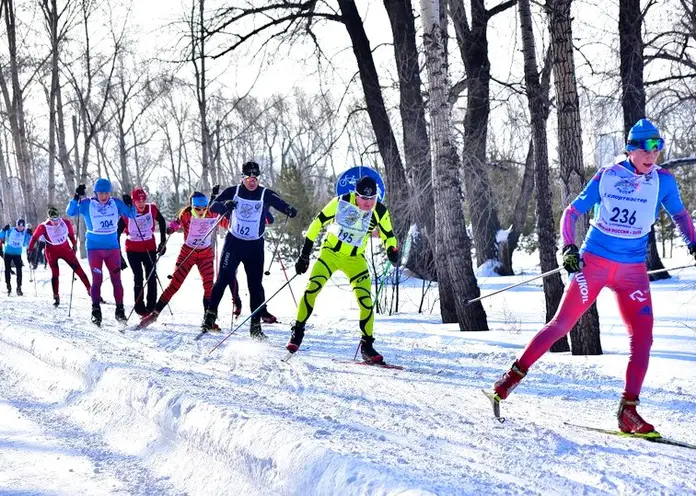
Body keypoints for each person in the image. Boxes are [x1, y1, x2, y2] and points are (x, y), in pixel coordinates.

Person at [489, 118, 696, 434]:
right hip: (594, 263)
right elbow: (572, 213)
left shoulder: (663, 182)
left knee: (643, 337)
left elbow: (680, 216)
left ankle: (628, 411)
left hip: (632, 270)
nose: (652, 154)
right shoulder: (608, 177)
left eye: (658, 147)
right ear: (631, 149)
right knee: (562, 325)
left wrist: (693, 244)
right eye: (646, 147)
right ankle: (511, 378)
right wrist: (569, 247)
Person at [285, 175, 400, 363]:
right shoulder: (340, 202)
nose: (368, 203)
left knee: (366, 302)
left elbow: (389, 235)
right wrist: (305, 254)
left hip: (355, 259)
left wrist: (391, 250)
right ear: (356, 195)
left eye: (372, 199)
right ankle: (297, 331)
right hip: (330, 253)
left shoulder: (379, 210)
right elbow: (316, 223)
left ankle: (367, 346)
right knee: (312, 288)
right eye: (364, 198)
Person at [201, 161, 298, 340]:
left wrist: (289, 210)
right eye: (248, 177)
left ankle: (255, 327)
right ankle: (210, 317)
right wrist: (225, 206)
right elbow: (213, 205)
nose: (252, 181)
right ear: (242, 177)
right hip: (234, 243)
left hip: (255, 246)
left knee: (255, 286)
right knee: (223, 278)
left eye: (255, 178)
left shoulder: (264, 193)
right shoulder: (234, 191)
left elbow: (280, 204)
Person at [138, 192, 229, 329]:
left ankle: (208, 320)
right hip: (188, 253)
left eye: (204, 208)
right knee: (175, 284)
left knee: (209, 286)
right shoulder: (186, 214)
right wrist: (171, 228)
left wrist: (229, 215)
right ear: (192, 207)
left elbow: (226, 223)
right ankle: (155, 314)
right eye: (197, 209)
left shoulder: (212, 213)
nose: (201, 212)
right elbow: (177, 223)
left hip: (206, 255)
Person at [66, 178, 136, 326]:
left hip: (112, 248)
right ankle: (96, 311)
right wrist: (75, 197)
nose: (103, 197)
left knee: (116, 280)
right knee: (97, 280)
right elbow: (71, 212)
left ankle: (120, 310)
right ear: (96, 193)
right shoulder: (86, 204)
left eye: (106, 193)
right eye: (100, 193)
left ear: (109, 193)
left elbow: (132, 214)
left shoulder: (115, 203)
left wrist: (130, 203)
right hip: (94, 249)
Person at [118, 187, 167, 316]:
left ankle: (151, 307)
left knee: (151, 276)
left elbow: (162, 222)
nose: (141, 203)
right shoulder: (127, 213)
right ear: (133, 201)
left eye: (143, 200)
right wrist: (119, 255)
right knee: (138, 278)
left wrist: (163, 242)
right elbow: (116, 233)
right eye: (138, 201)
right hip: (132, 250)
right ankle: (140, 309)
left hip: (149, 248)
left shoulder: (152, 209)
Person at [29, 207, 91, 306]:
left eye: (57, 219)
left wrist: (74, 245)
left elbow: (71, 235)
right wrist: (30, 250)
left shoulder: (65, 223)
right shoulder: (43, 227)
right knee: (55, 274)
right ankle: (56, 296)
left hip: (66, 250)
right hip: (51, 252)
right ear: (49, 218)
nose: (56, 222)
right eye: (53, 220)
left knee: (78, 269)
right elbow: (34, 238)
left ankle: (90, 290)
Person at [229, 210, 278, 322]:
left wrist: (264, 210)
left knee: (256, 282)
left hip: (253, 246)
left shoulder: (257, 200)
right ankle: (237, 302)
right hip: (234, 245)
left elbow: (269, 220)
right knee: (229, 276)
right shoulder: (235, 197)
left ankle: (262, 311)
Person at [0, 219, 31, 295]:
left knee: (19, 270)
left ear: (24, 226)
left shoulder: (24, 233)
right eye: (19, 226)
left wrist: (30, 234)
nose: (20, 227)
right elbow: (1, 236)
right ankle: (8, 286)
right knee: (7, 270)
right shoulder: (10, 230)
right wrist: (3, 230)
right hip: (8, 253)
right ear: (16, 225)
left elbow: (27, 243)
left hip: (17, 254)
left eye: (22, 226)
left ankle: (19, 287)